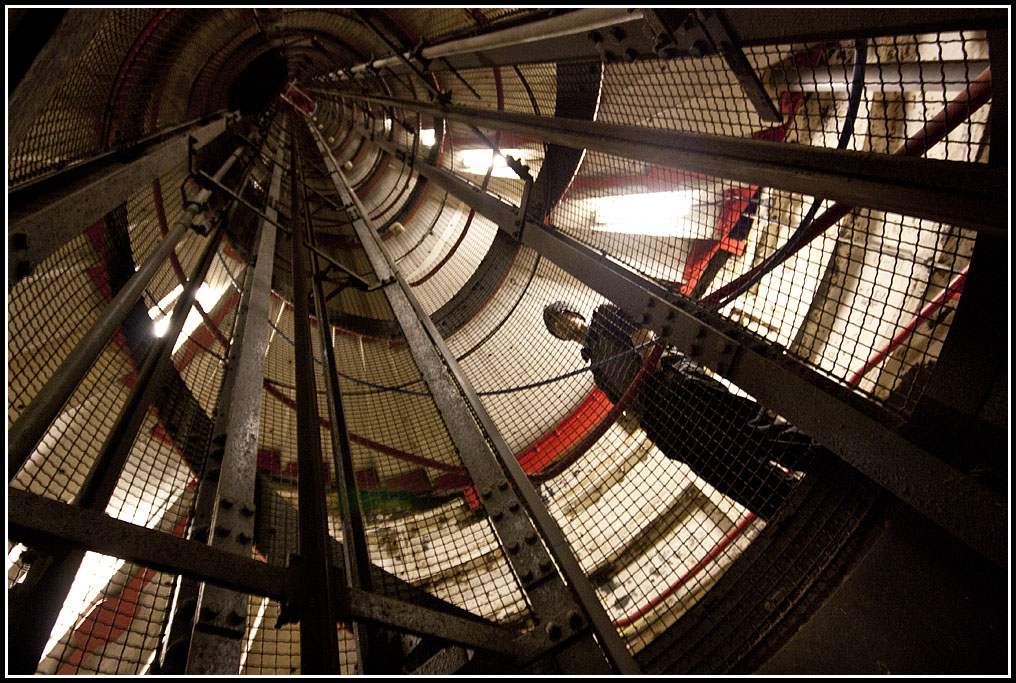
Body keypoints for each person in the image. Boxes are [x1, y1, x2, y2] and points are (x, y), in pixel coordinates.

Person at [543, 301, 816, 521]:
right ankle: (784, 503)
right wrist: (636, 415)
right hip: (659, 420)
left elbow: (639, 328)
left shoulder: (602, 317)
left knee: (738, 427)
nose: (561, 327)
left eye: (560, 318)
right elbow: (622, 405)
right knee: (715, 466)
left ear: (573, 312)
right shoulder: (596, 369)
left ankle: (814, 456)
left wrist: (652, 362)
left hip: (672, 383)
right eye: (555, 328)